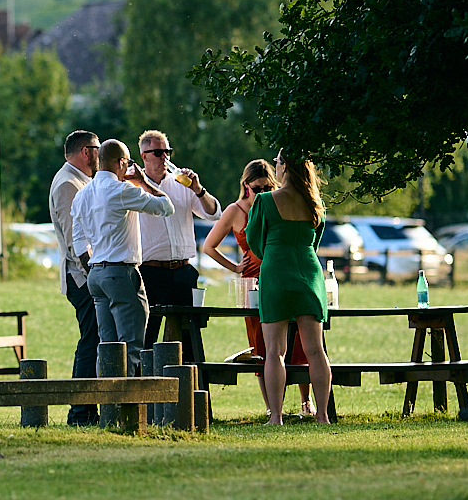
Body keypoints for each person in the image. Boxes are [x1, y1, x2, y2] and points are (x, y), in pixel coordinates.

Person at [202, 158, 314, 418]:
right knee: (261, 346)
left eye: (267, 187)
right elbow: (208, 246)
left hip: (282, 274)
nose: (262, 192)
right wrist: (234, 267)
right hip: (253, 282)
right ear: (246, 185)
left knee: (300, 339)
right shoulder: (235, 210)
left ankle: (306, 401)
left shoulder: (277, 202)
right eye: (257, 188)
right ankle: (271, 406)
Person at [70, 138, 174, 377]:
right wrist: (143, 182)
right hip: (121, 271)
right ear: (120, 163)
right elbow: (165, 207)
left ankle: (107, 397)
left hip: (96, 273)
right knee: (130, 345)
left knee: (107, 347)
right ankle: (126, 398)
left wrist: (94, 268)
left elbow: (78, 241)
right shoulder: (122, 190)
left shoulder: (82, 194)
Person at [246, 151, 334, 425]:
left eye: (277, 161)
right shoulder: (314, 202)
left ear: (284, 167)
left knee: (274, 351)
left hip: (276, 271)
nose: (275, 165)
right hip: (309, 270)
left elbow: (253, 239)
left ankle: (276, 416)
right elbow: (315, 241)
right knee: (315, 350)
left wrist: (273, 253)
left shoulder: (264, 201)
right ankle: (322, 415)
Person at [135, 129, 221, 363]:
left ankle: (193, 383)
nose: (164, 157)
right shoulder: (134, 186)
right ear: (144, 156)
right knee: (147, 336)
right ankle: (145, 383)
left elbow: (213, 213)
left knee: (189, 336)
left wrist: (198, 189)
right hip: (150, 271)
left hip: (183, 270)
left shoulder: (182, 183)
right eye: (158, 152)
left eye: (167, 152)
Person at [50, 130, 102, 425]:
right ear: (86, 151)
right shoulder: (68, 184)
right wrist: (94, 275)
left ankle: (86, 410)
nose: (100, 154)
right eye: (97, 148)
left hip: (86, 274)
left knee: (94, 340)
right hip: (82, 277)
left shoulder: (81, 181)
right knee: (90, 341)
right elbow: (75, 241)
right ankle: (80, 412)